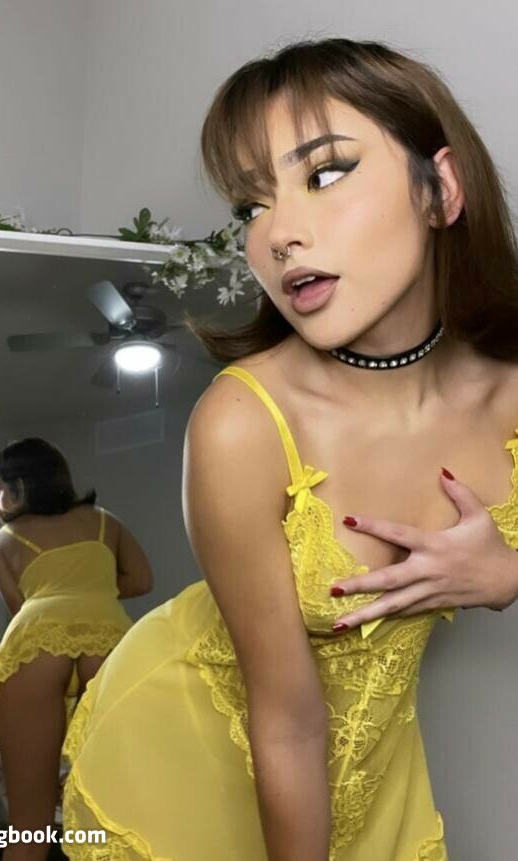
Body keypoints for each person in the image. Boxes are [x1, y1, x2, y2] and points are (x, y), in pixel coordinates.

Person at [61, 37, 518, 861]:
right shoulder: (241, 422)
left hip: (376, 773)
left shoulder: (511, 392)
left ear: (440, 189)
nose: (277, 234)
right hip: (193, 760)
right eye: (252, 204)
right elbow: (289, 719)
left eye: (328, 172)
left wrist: (509, 573)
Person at [0, 437, 154, 861]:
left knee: (27, 828)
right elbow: (142, 580)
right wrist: (91, 590)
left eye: (0, 489)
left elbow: (20, 608)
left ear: (21, 486)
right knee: (120, 817)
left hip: (37, 642)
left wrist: (60, 594)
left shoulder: (3, 541)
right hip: (108, 639)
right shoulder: (104, 522)